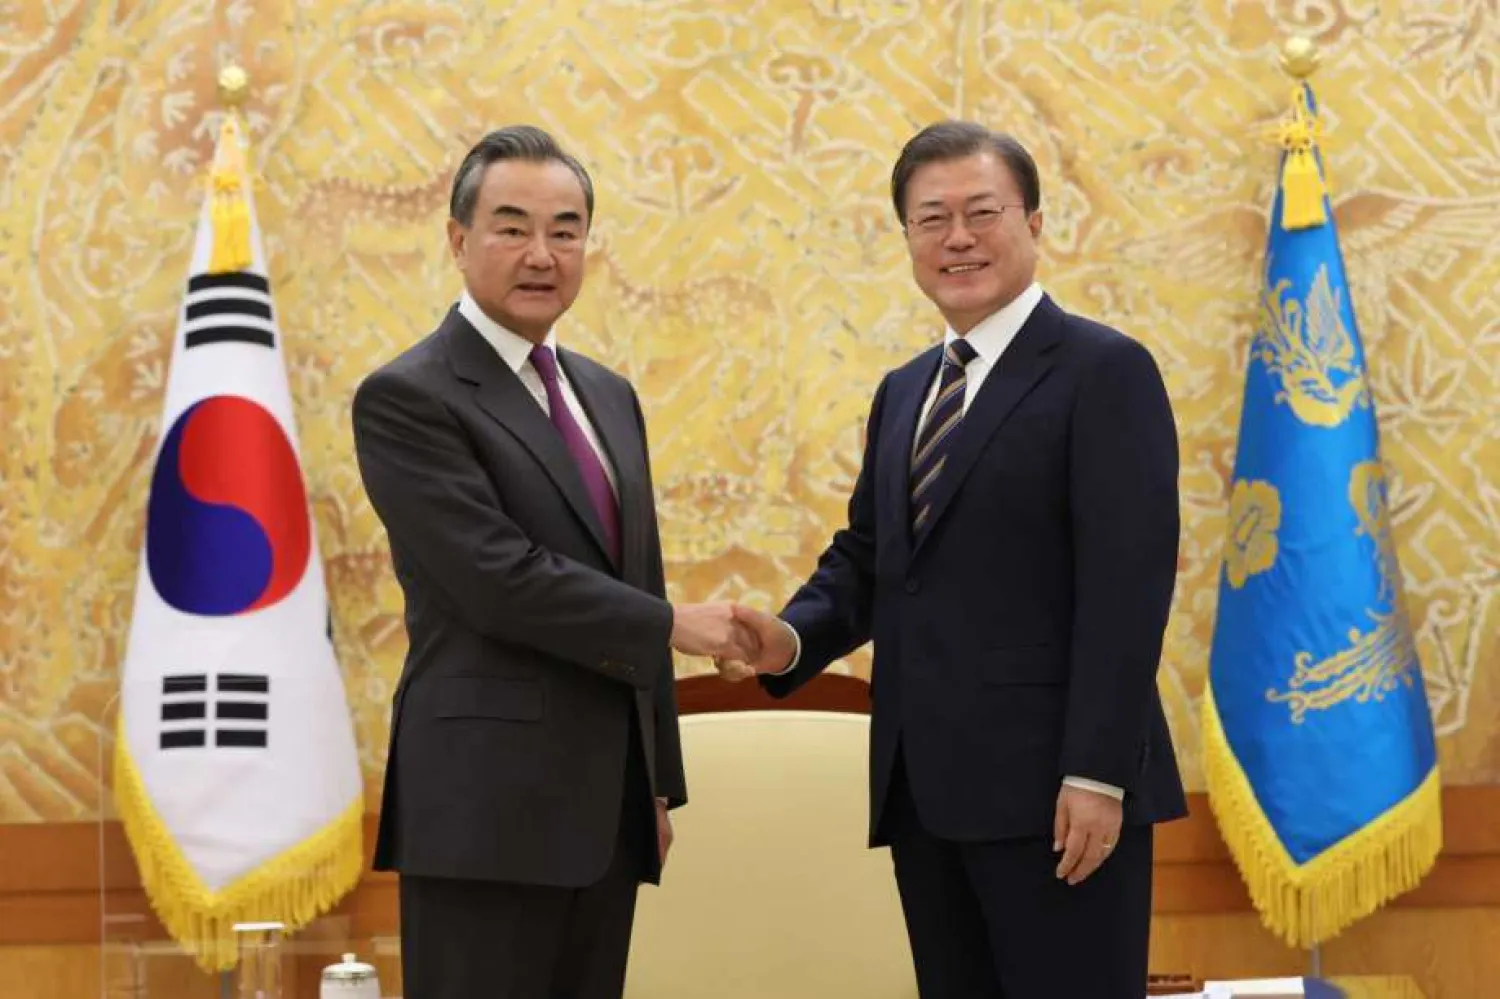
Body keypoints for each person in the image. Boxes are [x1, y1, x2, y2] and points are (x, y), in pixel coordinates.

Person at [730, 121, 1188, 998]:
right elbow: (869, 559)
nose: (959, 237)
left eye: (983, 211)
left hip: (1059, 799)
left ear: (1035, 223)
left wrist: (1095, 772)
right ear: (905, 236)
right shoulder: (907, 390)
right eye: (930, 218)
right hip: (926, 793)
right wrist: (787, 638)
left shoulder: (1104, 371)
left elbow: (1127, 593)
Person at [351, 125, 751, 999]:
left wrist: (657, 784)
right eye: (512, 226)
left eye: (565, 230)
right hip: (484, 812)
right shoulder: (408, 396)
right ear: (458, 241)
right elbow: (499, 579)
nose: (543, 253)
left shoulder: (608, 394)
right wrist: (674, 626)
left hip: (606, 812)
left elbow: (633, 572)